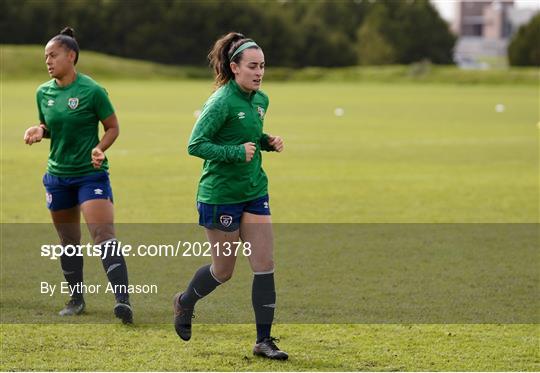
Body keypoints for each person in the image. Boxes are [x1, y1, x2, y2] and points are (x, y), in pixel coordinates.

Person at [173, 32, 288, 360]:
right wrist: (237, 153)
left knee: (264, 263)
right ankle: (185, 302)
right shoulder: (221, 101)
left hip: (254, 191)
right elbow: (195, 145)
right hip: (219, 195)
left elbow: (248, 134)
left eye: (263, 66)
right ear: (234, 67)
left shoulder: (261, 100)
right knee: (223, 271)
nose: (259, 72)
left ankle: (263, 341)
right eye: (252, 66)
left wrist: (266, 141)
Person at [23, 27, 133, 324]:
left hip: (90, 176)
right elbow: (51, 127)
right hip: (58, 177)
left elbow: (113, 127)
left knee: (103, 236)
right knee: (68, 241)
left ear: (71, 56)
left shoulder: (92, 91)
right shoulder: (42, 92)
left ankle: (123, 301)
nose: (47, 61)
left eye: (53, 55)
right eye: (45, 57)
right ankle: (76, 299)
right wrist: (40, 130)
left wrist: (100, 148)